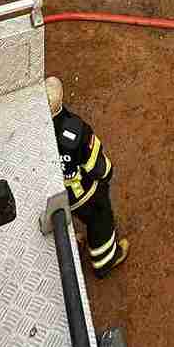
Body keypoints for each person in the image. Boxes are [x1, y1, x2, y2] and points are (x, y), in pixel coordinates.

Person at [45, 76, 129, 278]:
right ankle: (106, 260)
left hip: (54, 193)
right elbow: (96, 165)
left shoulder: (37, 133)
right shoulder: (75, 130)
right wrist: (107, 173)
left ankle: (72, 243)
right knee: (100, 219)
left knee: (61, 219)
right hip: (84, 194)